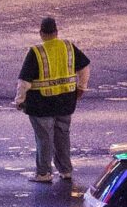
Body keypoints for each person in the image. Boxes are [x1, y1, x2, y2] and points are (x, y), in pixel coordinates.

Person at [16, 17, 92, 191]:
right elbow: (85, 67)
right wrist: (81, 87)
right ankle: (65, 170)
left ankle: (43, 173)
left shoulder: (36, 52)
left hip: (41, 105)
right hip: (65, 102)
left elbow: (24, 82)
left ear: (41, 34)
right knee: (62, 136)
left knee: (44, 139)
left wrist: (19, 101)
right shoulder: (68, 46)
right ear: (56, 32)